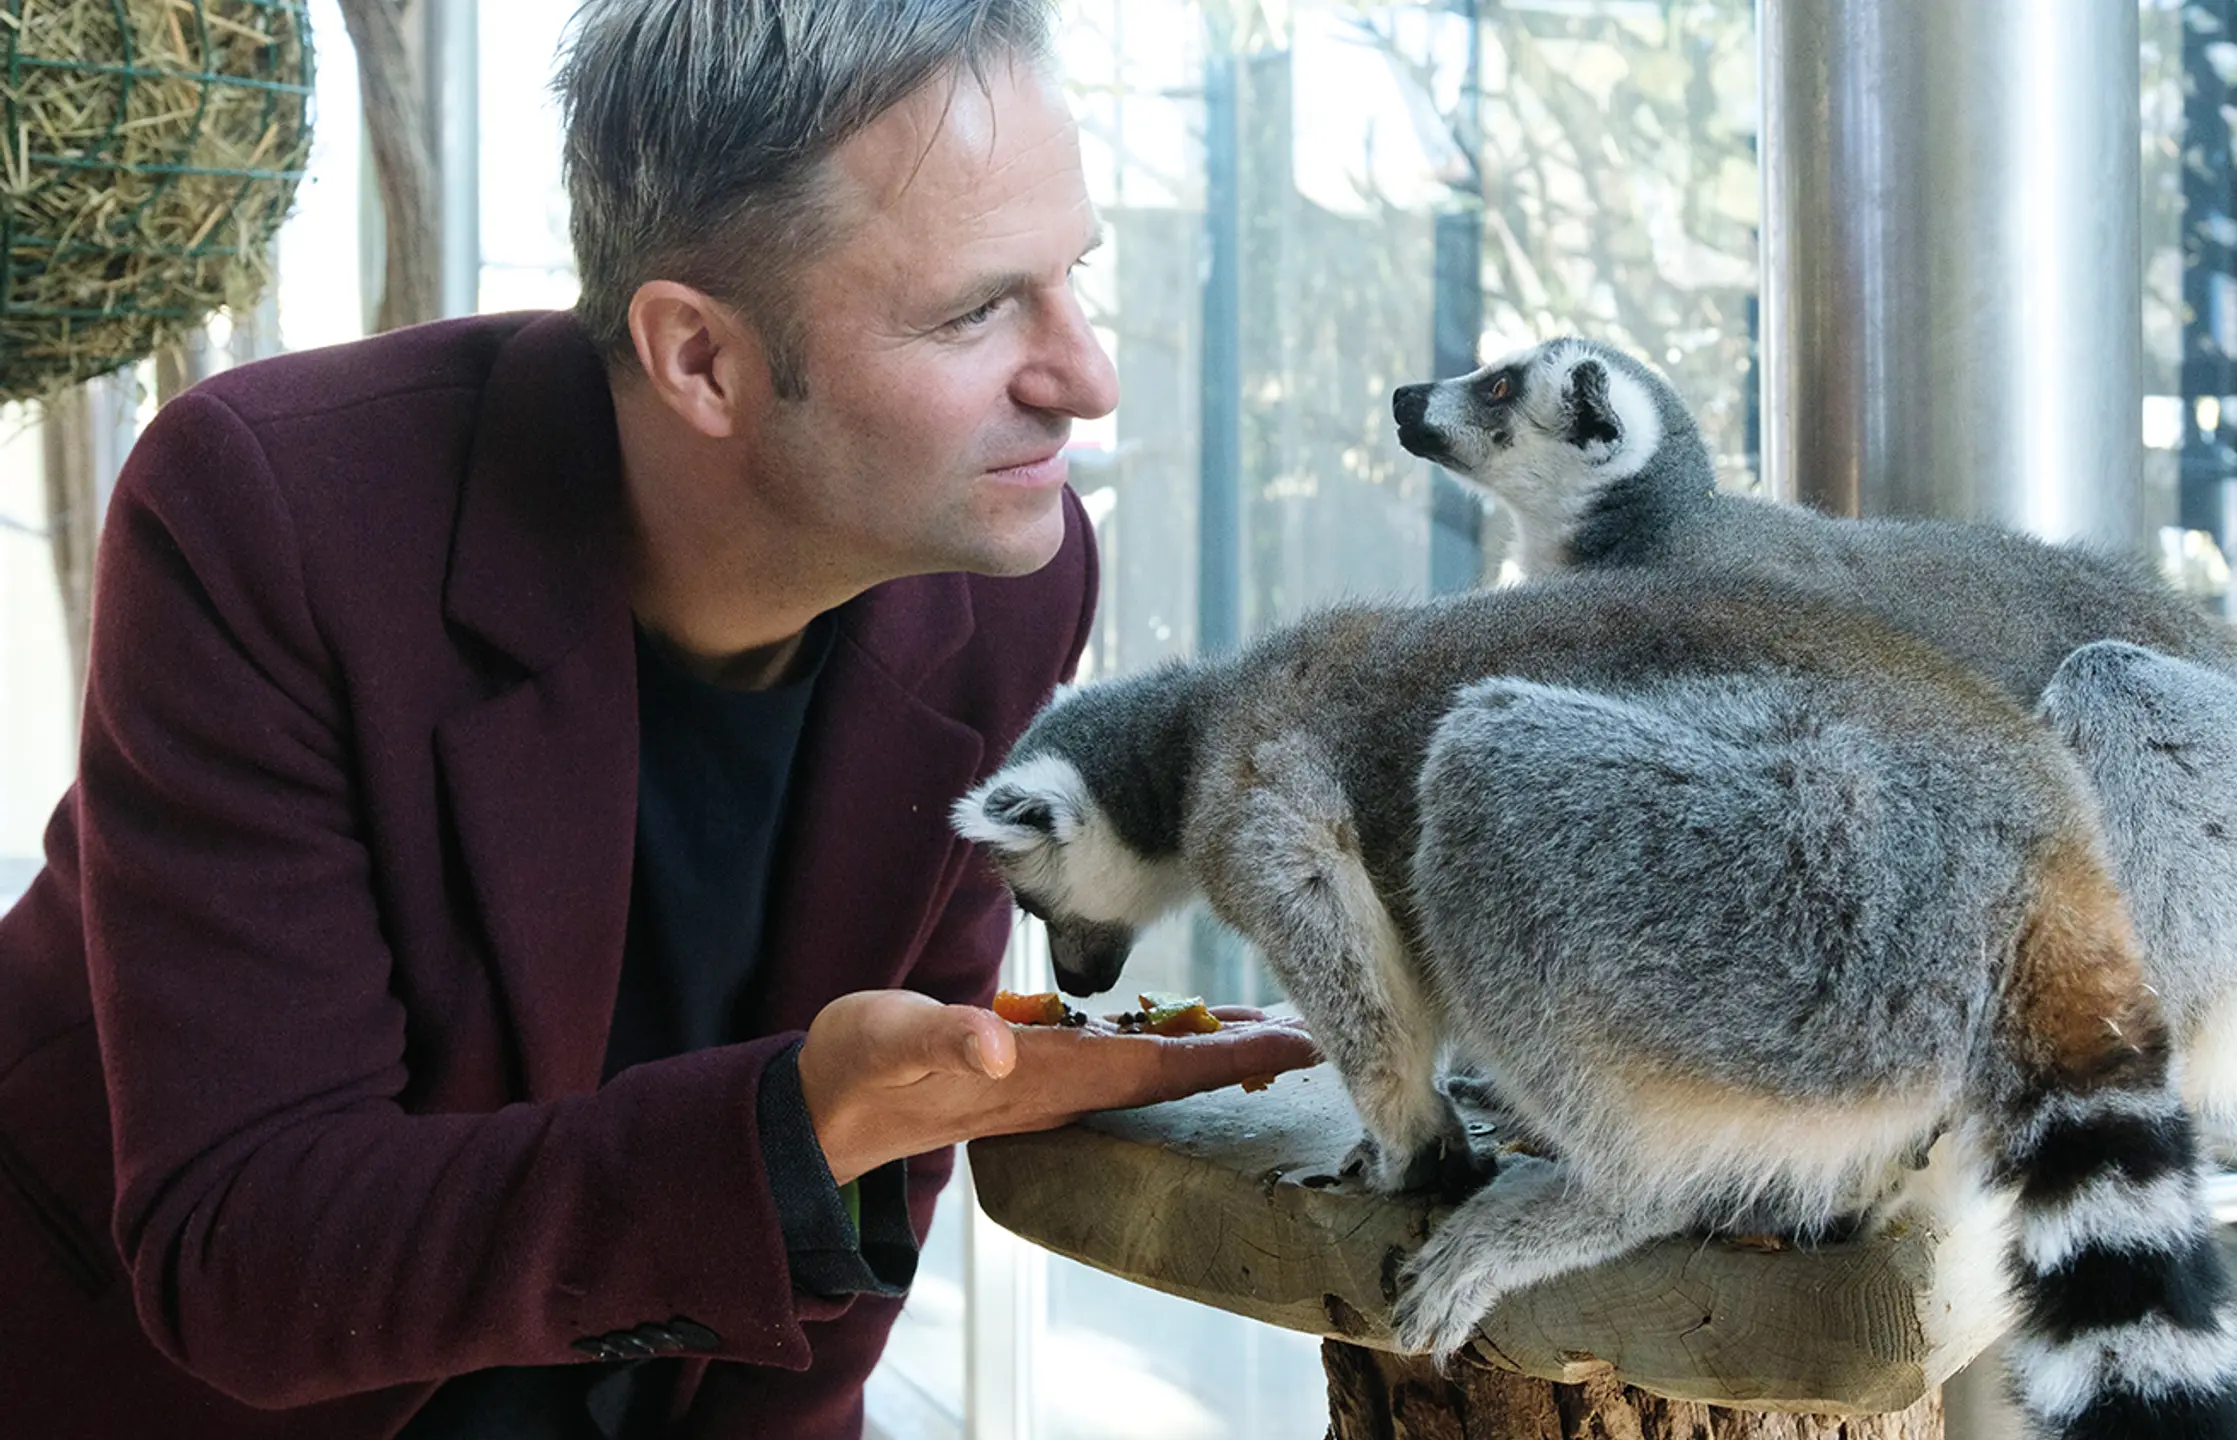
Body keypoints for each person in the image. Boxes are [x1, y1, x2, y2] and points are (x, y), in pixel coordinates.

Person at [0, 1, 1318, 1435]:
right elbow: (247, 1251)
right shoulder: (269, 512)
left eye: (1075, 276)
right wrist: (789, 1134)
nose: (1089, 379)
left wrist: (856, 1138)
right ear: (699, 358)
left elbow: (883, 1165)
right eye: (979, 309)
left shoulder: (1007, 572)